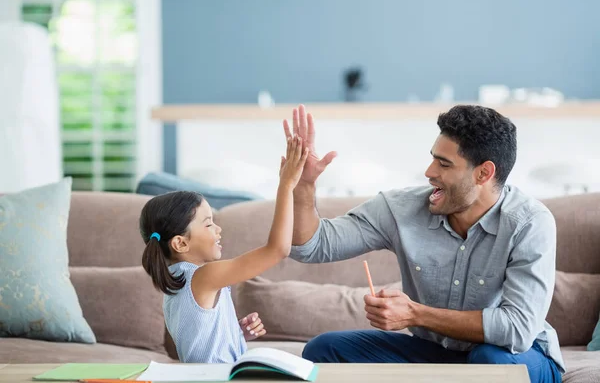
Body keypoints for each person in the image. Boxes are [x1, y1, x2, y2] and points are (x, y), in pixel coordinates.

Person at [284, 104, 564, 383]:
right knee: (323, 350)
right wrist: (303, 186)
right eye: (433, 159)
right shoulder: (400, 208)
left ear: (483, 173)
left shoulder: (529, 223)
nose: (429, 172)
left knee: (487, 363)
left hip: (518, 355)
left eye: (444, 164)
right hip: (437, 351)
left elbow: (516, 330)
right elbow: (312, 246)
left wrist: (415, 314)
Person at [139, 135, 308, 363]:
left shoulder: (177, 280)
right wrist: (286, 185)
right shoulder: (202, 276)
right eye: (208, 223)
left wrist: (236, 335)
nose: (218, 229)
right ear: (180, 243)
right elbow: (277, 249)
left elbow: (194, 344)